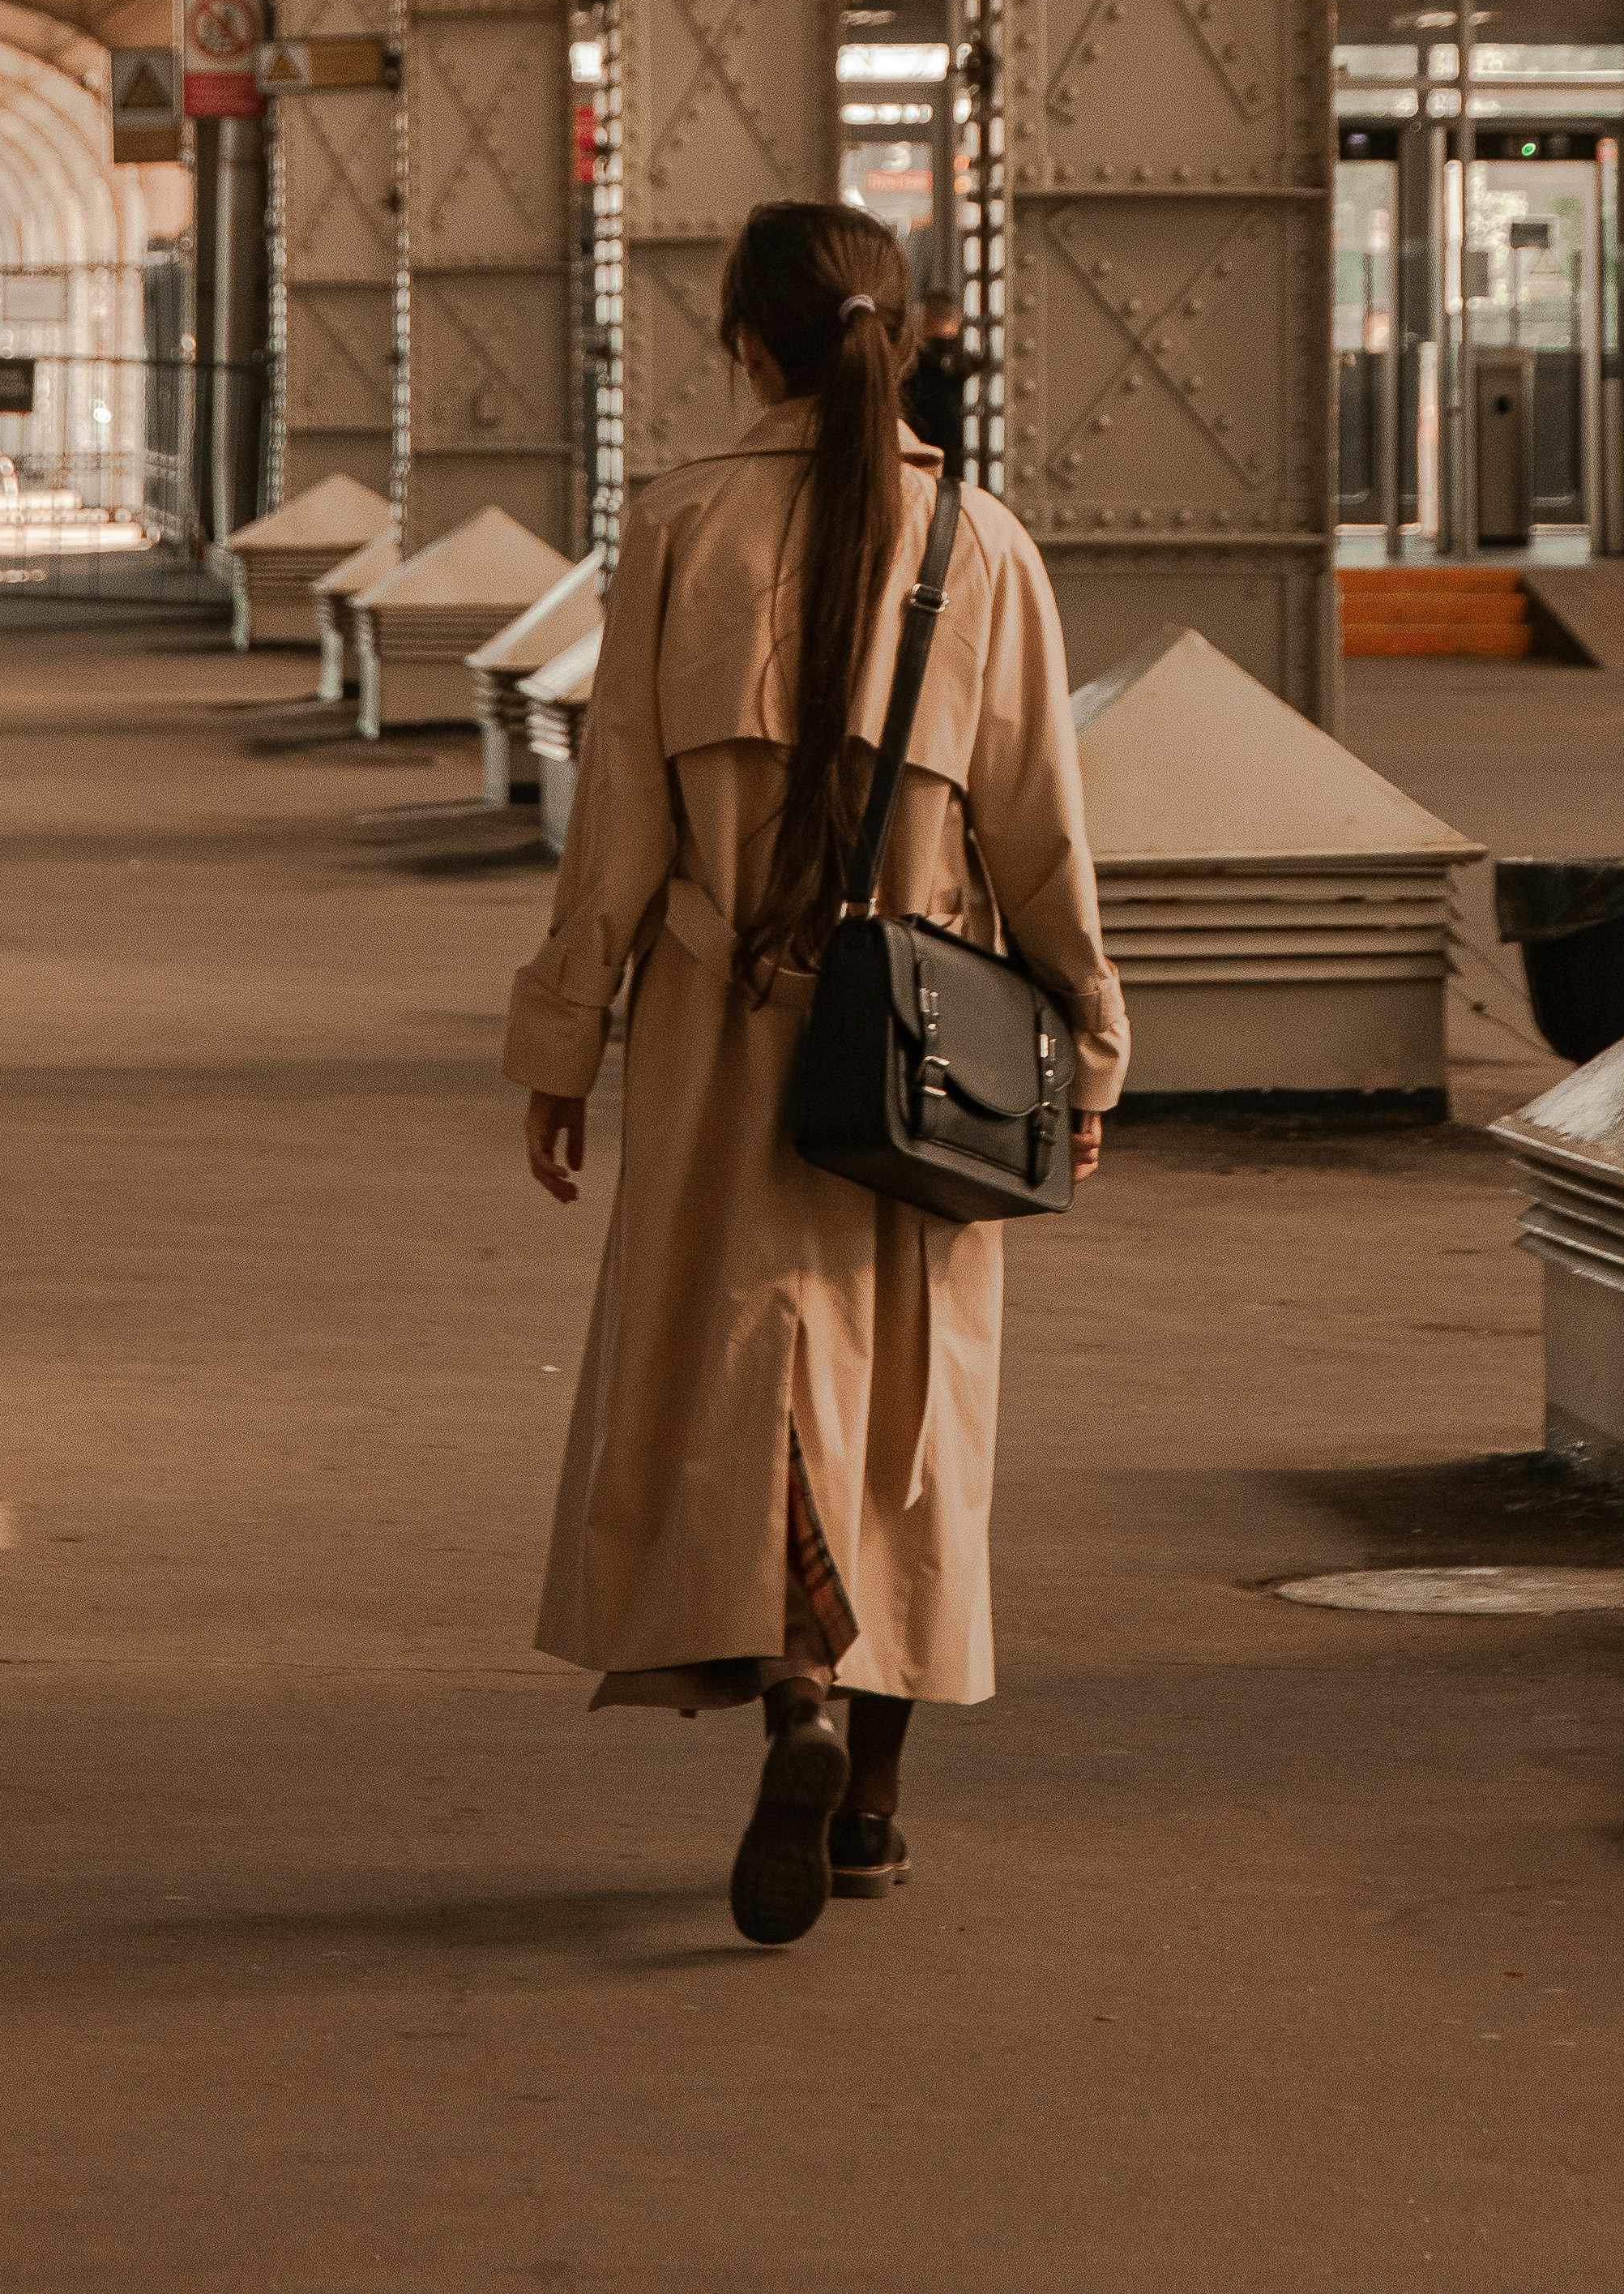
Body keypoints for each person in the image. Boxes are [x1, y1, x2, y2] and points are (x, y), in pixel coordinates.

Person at [504, 196, 1126, 1950]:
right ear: (907, 335)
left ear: (748, 348)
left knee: (746, 1375)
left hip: (718, 1034)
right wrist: (1086, 1040)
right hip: (922, 1038)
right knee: (908, 1419)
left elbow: (616, 819)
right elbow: (1038, 833)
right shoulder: (986, 548)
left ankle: (790, 1686)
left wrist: (563, 1037)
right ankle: (869, 1801)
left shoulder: (679, 532)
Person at [900, 285, 971, 474]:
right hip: (949, 459)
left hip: (916, 457)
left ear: (924, 318)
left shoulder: (911, 366)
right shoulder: (961, 367)